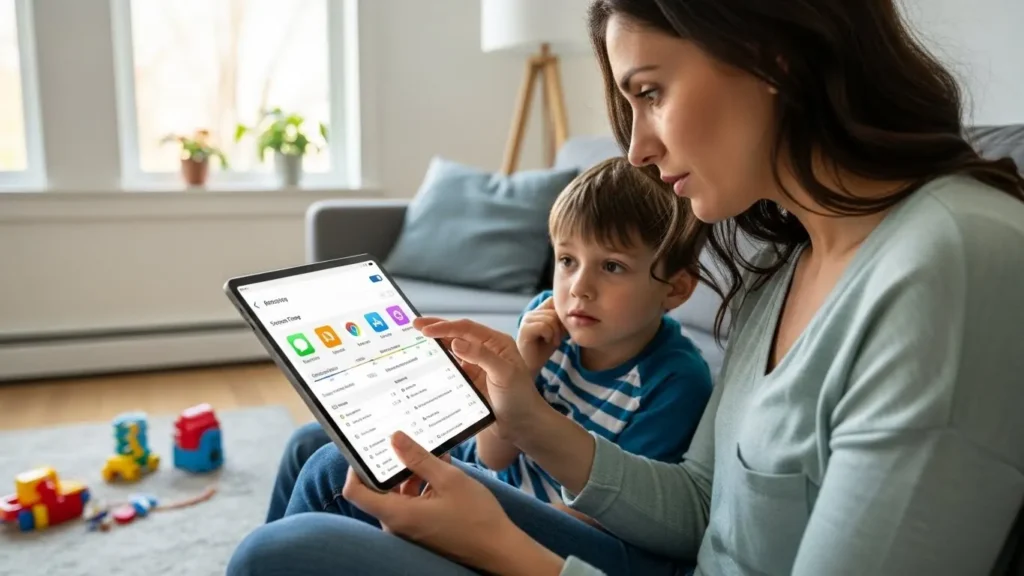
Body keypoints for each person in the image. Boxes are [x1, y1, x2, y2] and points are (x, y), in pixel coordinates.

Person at [229, 0, 1024, 574]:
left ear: (773, 53)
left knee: (285, 552)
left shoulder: (951, 260)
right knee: (335, 456)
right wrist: (525, 416)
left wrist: (504, 550)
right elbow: (702, 506)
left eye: (649, 91)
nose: (638, 149)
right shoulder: (789, 265)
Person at [263, 157, 713, 526]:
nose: (579, 287)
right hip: (494, 479)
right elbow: (492, 456)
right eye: (567, 260)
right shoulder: (547, 321)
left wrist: (456, 516)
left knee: (333, 467)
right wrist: (523, 370)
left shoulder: (675, 381)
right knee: (309, 440)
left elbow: (611, 517)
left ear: (675, 288)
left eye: (612, 267)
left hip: (540, 522)